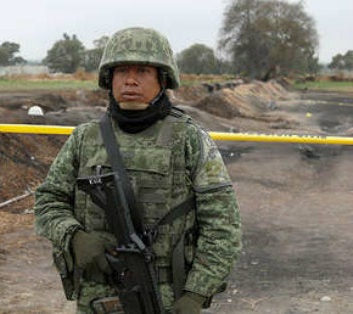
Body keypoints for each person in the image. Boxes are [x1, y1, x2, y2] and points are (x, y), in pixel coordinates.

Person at [34, 27, 241, 314]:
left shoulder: (189, 139)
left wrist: (196, 293)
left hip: (165, 297)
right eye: (121, 71)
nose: (130, 80)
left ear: (163, 79)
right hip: (95, 298)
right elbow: (48, 200)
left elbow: (223, 225)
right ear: (109, 79)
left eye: (142, 71)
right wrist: (73, 237)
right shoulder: (85, 138)